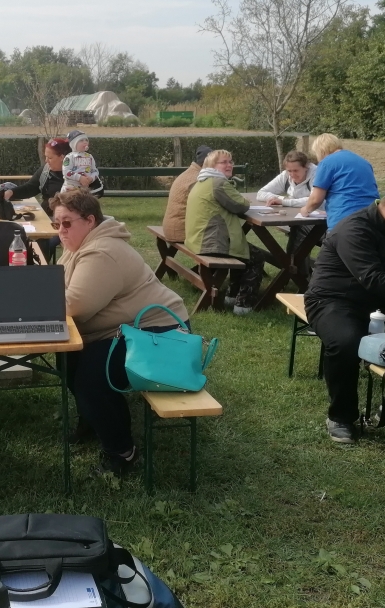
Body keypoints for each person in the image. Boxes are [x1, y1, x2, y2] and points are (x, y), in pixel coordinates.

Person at [52, 188, 190, 476]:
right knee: (69, 358)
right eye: (57, 224)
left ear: (90, 221)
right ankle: (93, 420)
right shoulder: (81, 245)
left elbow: (75, 306)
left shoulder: (102, 251)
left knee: (92, 376)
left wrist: (33, 301)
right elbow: (57, 287)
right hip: (128, 327)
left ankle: (122, 453)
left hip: (161, 334)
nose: (61, 230)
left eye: (66, 223)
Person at [304, 184, 385, 443]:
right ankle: (341, 417)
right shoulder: (354, 229)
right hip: (333, 299)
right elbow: (372, 278)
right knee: (345, 342)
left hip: (377, 300)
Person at [185, 149, 264, 315]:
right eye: (224, 162)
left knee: (243, 250)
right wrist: (244, 199)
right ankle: (243, 306)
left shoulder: (202, 181)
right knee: (255, 257)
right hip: (212, 242)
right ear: (212, 166)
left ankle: (232, 296)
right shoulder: (218, 183)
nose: (229, 165)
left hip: (198, 239)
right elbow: (241, 205)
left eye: (231, 161)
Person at [256, 149, 321, 278]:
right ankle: (299, 276)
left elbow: (315, 200)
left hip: (321, 222)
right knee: (297, 232)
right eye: (289, 171)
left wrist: (284, 201)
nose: (292, 175)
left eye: (296, 171)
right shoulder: (286, 176)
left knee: (298, 235)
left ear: (306, 167)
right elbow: (261, 193)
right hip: (299, 219)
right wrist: (278, 199)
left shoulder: (317, 174)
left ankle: (299, 277)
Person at [298, 134, 378, 232]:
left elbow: (316, 199)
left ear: (321, 150)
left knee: (301, 230)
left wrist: (306, 210)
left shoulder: (327, 162)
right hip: (372, 218)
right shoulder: (364, 162)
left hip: (344, 220)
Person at [2, 137, 70, 213]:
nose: (46, 160)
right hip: (45, 215)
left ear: (62, 157)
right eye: (45, 157)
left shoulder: (76, 176)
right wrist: (11, 192)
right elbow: (30, 188)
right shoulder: (45, 171)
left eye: (50, 158)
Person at [161, 145, 210, 241]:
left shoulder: (189, 173)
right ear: (206, 162)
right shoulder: (199, 178)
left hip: (171, 227)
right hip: (180, 231)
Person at [62, 130, 103, 195]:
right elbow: (66, 171)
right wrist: (80, 178)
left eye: (86, 140)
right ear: (74, 144)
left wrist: (91, 178)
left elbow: (95, 171)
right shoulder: (69, 157)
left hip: (85, 189)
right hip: (70, 188)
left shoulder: (89, 156)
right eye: (81, 140)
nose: (85, 142)